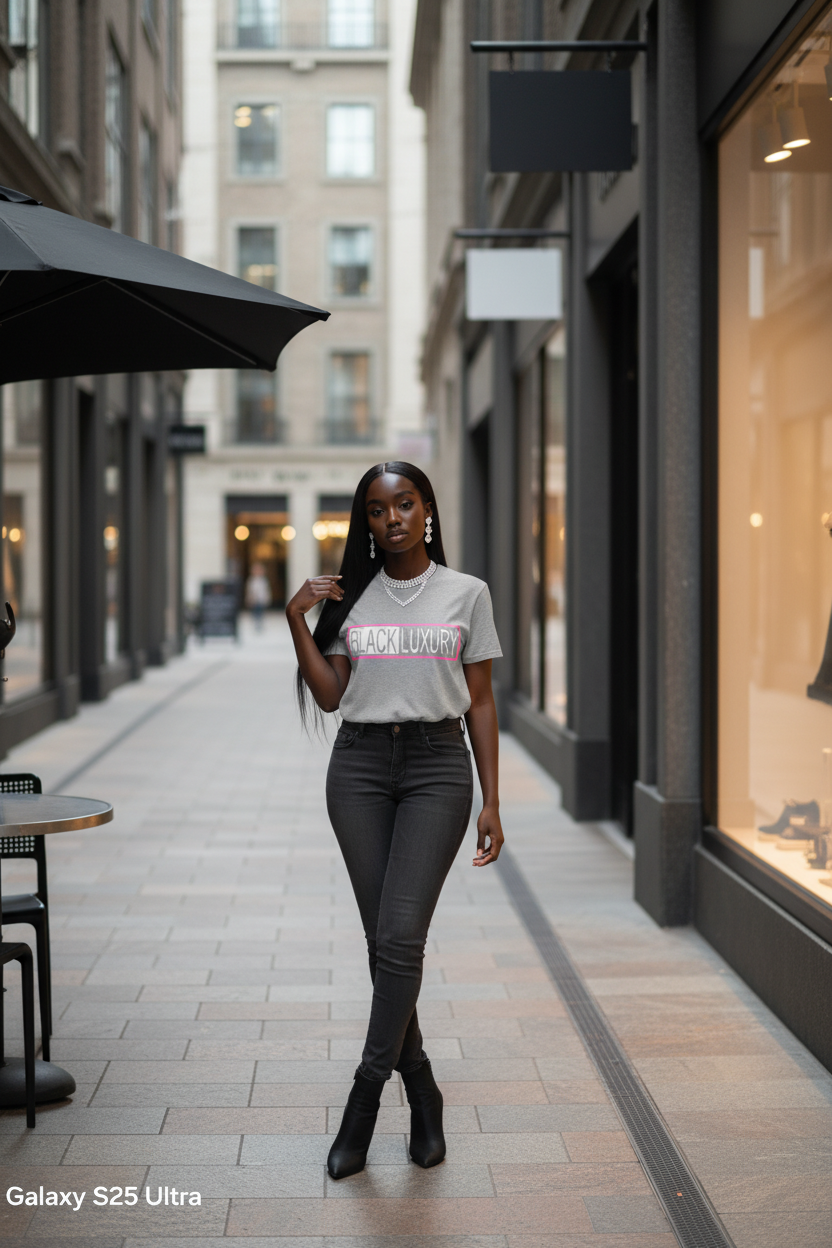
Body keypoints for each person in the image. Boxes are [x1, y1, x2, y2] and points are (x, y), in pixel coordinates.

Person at [287, 461, 504, 1179]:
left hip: (438, 769)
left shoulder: (467, 593)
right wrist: (297, 619)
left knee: (400, 936)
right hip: (358, 770)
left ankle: (365, 1099)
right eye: (378, 511)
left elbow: (480, 701)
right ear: (367, 523)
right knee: (386, 943)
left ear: (427, 509)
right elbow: (329, 696)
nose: (393, 520)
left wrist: (492, 800)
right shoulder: (350, 598)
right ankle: (424, 1089)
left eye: (405, 504)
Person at [244, 562, 271, 631]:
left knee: (261, 612)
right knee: (254, 612)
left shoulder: (264, 580)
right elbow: (249, 590)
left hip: (261, 599)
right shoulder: (251, 580)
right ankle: (256, 623)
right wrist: (249, 599)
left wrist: (267, 598)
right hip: (254, 600)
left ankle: (260, 623)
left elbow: (266, 590)